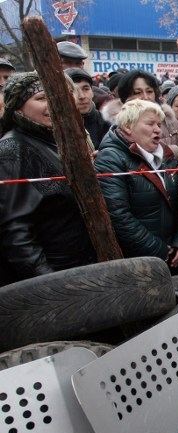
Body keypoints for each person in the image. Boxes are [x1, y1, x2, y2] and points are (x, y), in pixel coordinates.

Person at [0, 72, 95, 282]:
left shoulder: (56, 140)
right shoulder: (12, 148)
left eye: (55, 97)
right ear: (17, 106)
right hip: (55, 274)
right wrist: (49, 284)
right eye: (42, 98)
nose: (52, 104)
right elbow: (16, 232)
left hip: (82, 265)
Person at [95, 100, 178, 269]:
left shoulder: (167, 156)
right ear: (127, 126)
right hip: (139, 262)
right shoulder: (110, 159)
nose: (158, 129)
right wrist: (160, 250)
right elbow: (118, 216)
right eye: (150, 124)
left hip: (174, 255)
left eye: (159, 124)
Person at [116, 70, 178, 148]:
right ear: (125, 97)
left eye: (149, 91)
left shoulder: (170, 119)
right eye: (137, 92)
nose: (145, 97)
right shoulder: (119, 125)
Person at [64, 68, 110, 148]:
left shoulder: (107, 124)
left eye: (86, 89)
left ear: (92, 92)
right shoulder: (57, 126)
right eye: (72, 91)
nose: (81, 96)